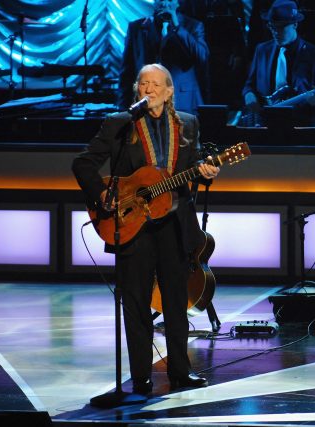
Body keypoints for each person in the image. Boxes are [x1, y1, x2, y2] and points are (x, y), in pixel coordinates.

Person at [73, 63, 220, 395]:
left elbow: (192, 168)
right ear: (136, 91)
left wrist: (204, 171)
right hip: (131, 224)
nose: (149, 89)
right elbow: (83, 163)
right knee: (136, 303)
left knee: (175, 302)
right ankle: (140, 377)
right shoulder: (119, 124)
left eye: (156, 85)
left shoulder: (188, 124)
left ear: (169, 92)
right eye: (143, 84)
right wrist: (101, 196)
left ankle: (180, 373)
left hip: (175, 225)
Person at [242, 0, 315, 127]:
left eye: (281, 27)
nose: (276, 32)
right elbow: (249, 85)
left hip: (301, 125)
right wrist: (248, 95)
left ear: (295, 24)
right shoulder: (262, 50)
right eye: (272, 26)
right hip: (265, 123)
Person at [118, 0, 210, 114]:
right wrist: (122, 107)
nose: (165, 4)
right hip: (145, 103)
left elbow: (202, 57)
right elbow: (126, 71)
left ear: (177, 3)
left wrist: (177, 27)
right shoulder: (136, 28)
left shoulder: (193, 26)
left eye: (170, 0)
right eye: (161, 0)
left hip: (182, 102)